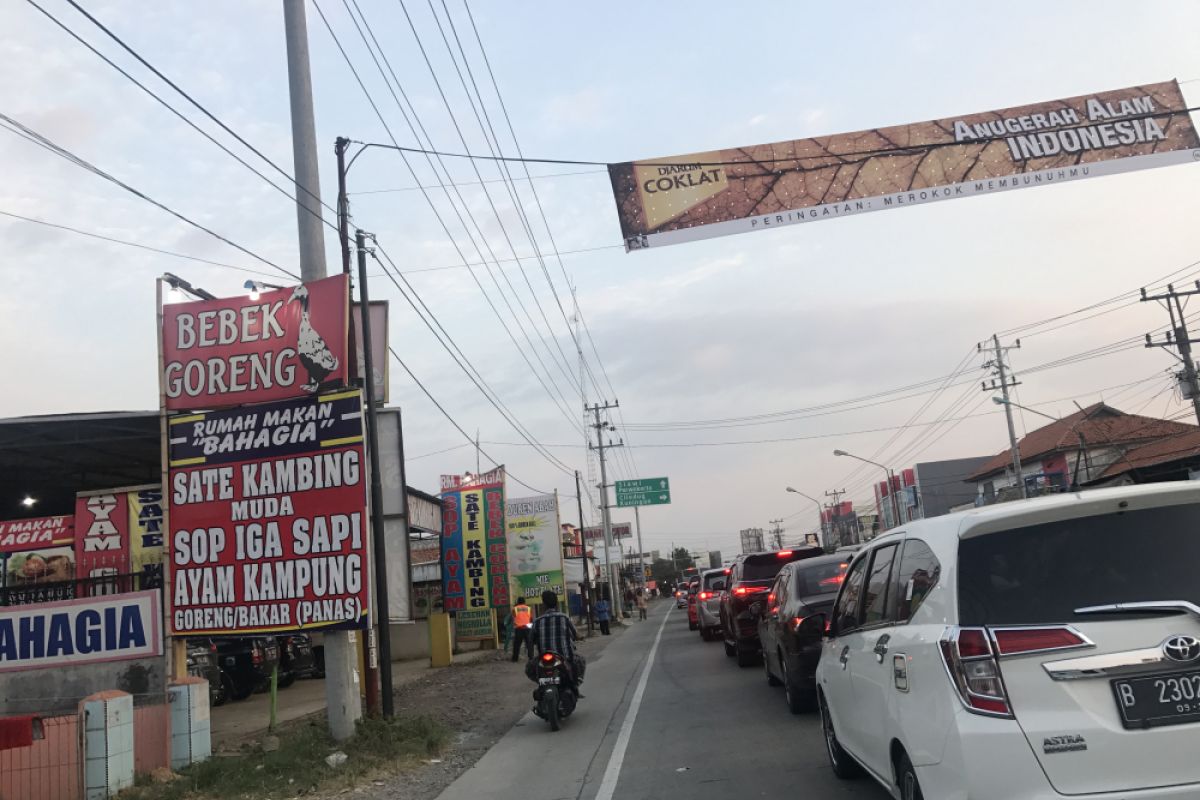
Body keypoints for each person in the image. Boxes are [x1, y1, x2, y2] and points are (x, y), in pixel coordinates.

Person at [530, 590, 584, 692]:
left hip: (543, 659)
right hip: (565, 657)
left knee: (530, 668)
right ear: (556, 603)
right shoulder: (564, 618)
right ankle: (574, 686)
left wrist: (531, 657)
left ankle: (541, 685)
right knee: (581, 661)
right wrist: (580, 637)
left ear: (543, 604)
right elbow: (576, 634)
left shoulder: (537, 621)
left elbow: (530, 641)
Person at [510, 597, 534, 662]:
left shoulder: (515, 609)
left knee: (517, 645)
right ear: (524, 602)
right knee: (529, 644)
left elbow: (513, 617)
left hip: (519, 628)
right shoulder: (529, 608)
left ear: (518, 602)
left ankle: (515, 659)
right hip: (527, 628)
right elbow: (531, 619)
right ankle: (531, 658)